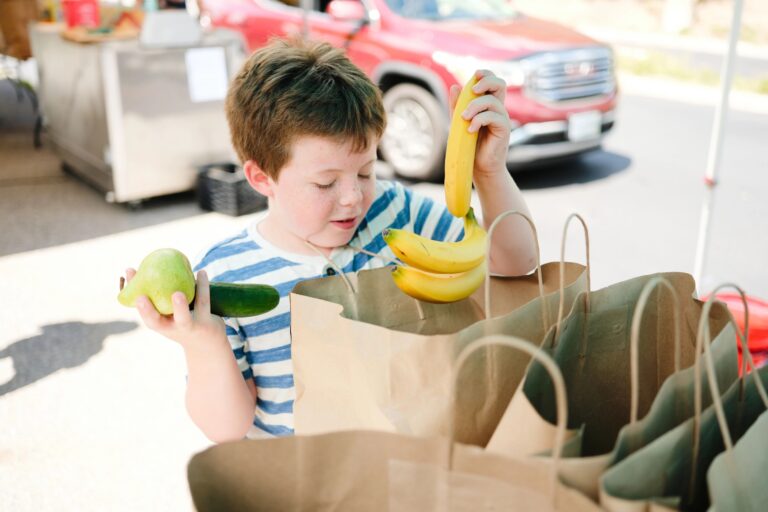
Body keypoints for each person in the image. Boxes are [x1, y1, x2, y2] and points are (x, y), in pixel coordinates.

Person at [124, 37, 536, 442]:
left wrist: (489, 172)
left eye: (365, 172)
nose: (353, 197)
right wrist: (203, 343)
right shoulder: (224, 274)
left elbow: (514, 262)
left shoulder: (397, 214)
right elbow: (226, 429)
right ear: (260, 178)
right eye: (325, 183)